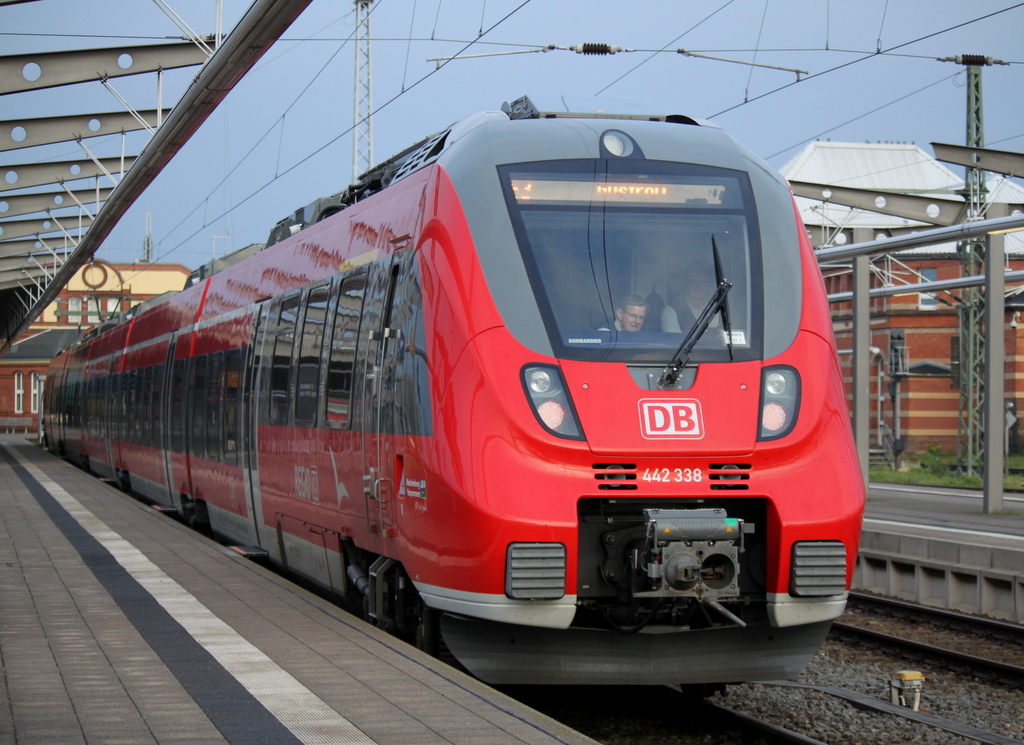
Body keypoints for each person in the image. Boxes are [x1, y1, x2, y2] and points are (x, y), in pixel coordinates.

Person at [662, 263, 716, 334]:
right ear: (686, 283)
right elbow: (675, 342)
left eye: (702, 282)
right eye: (693, 281)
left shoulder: (719, 310)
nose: (697, 286)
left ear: (709, 285)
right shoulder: (671, 311)